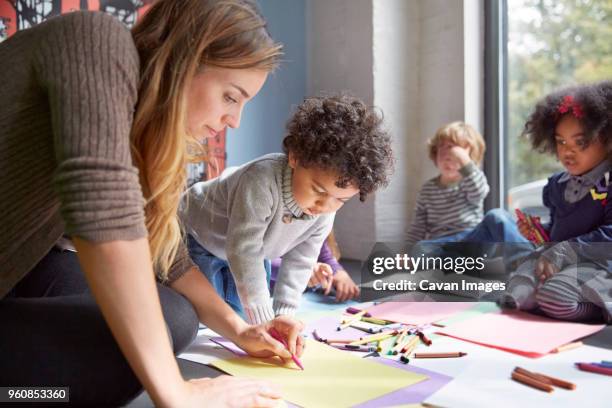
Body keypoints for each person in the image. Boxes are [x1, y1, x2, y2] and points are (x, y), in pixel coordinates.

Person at [0, 1, 306, 406]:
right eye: (231, 97)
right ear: (185, 61)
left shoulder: (135, 125)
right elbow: (102, 216)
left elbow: (167, 255)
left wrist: (239, 328)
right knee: (137, 354)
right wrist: (176, 394)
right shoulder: (96, 42)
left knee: (174, 319)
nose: (234, 120)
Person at [182, 95, 393, 323]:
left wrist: (284, 315)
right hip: (198, 235)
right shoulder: (260, 181)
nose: (325, 206)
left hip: (250, 249)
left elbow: (301, 260)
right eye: (318, 190)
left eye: (340, 200)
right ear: (294, 157)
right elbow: (244, 251)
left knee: (243, 317)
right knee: (209, 317)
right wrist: (264, 322)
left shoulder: (324, 211)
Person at [499, 81, 612, 323]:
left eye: (580, 142)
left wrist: (564, 251)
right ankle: (543, 302)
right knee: (516, 287)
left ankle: (595, 311)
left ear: (607, 138)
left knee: (556, 295)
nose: (567, 151)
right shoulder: (557, 185)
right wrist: (540, 233)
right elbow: (559, 231)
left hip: (600, 266)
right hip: (560, 262)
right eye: (561, 141)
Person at [406, 121, 489, 246]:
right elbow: (418, 226)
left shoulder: (470, 182)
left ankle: (521, 257)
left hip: (471, 239)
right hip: (441, 243)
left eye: (452, 153)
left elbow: (479, 192)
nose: (446, 157)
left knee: (498, 218)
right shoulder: (428, 189)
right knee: (421, 248)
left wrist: (464, 160)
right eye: (441, 150)